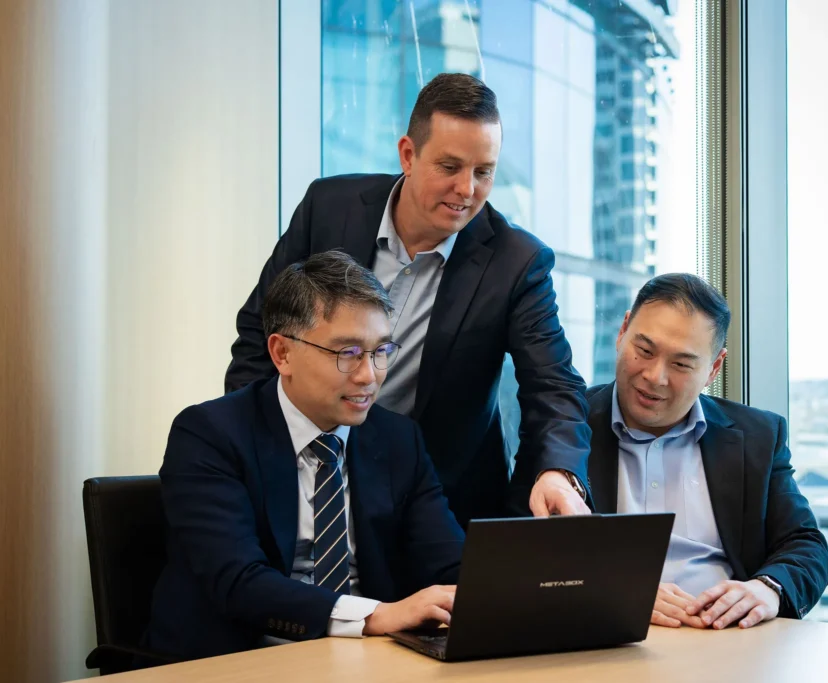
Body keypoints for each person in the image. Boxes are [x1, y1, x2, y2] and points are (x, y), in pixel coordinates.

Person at [226, 73, 591, 526]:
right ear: (408, 155)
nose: (467, 190)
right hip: (300, 467)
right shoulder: (328, 207)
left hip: (435, 500)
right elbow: (261, 336)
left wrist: (558, 473)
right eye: (450, 167)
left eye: (484, 172)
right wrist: (255, 452)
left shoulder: (517, 262)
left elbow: (553, 385)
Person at [144, 251, 465, 661]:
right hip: (236, 660)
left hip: (369, 662)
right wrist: (373, 616)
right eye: (347, 353)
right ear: (282, 354)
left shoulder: (398, 439)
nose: (369, 375)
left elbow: (449, 563)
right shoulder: (210, 435)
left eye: (380, 351)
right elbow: (238, 582)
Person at [583, 273, 828, 631]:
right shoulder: (566, 425)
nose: (655, 376)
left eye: (681, 364)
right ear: (623, 332)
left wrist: (767, 590)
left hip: (725, 640)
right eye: (645, 350)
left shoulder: (758, 437)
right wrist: (617, 592)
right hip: (605, 637)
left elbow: (806, 546)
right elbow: (521, 554)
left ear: (714, 368)